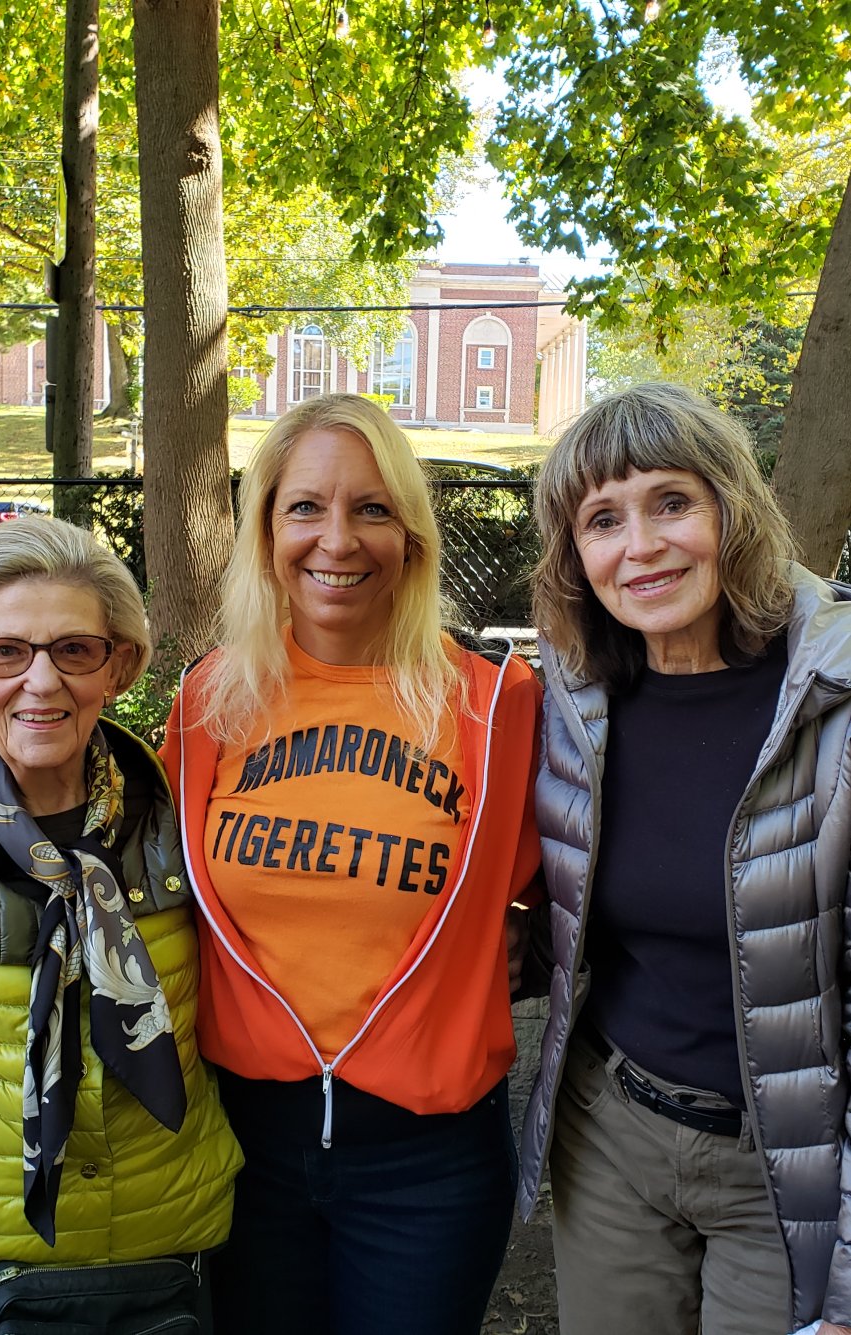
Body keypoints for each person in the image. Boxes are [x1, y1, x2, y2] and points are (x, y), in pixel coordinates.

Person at [160, 392, 542, 1335]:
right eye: (305, 506)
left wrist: (517, 939)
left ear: (409, 536)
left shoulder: (496, 703)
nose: (337, 539)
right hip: (243, 1143)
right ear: (265, 530)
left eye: (372, 508)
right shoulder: (210, 700)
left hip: (430, 1162)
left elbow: (579, 883)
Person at [0, 517, 242, 1335]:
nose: (41, 681)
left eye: (73, 649)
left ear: (118, 665)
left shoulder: (187, 822)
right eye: (4, 652)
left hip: (169, 1258)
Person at [519, 380, 851, 1335]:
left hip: (786, 1169)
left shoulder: (828, 703)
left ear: (731, 511)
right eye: (602, 519)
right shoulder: (572, 705)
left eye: (671, 502)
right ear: (575, 553)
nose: (641, 545)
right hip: (612, 1132)